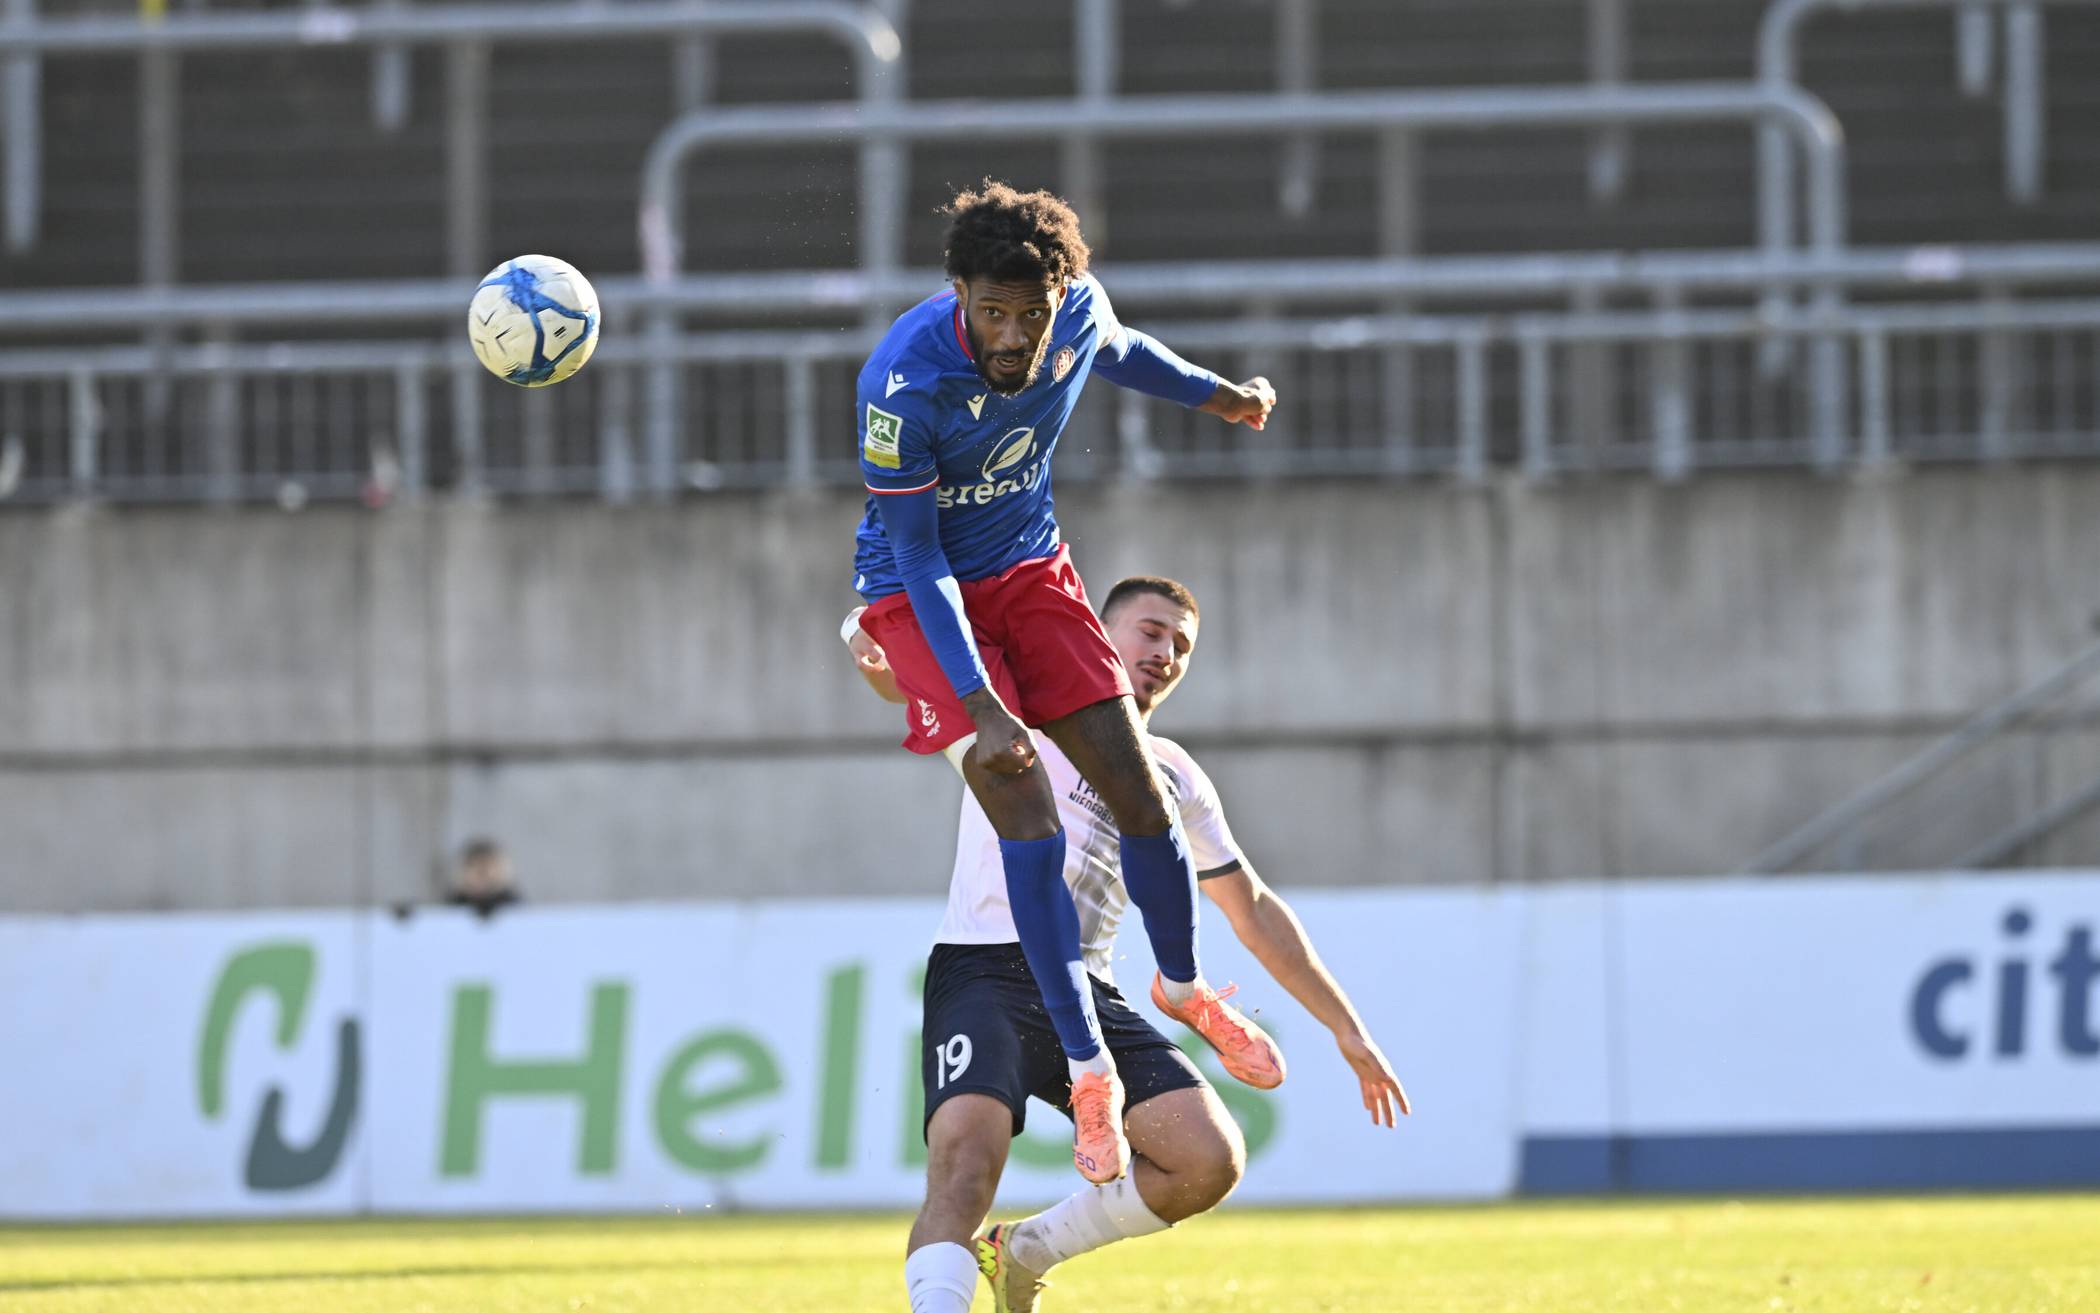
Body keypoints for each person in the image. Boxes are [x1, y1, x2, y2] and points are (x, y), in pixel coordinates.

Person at [852, 180, 1280, 1186]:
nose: (1012, 337)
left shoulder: (1076, 310)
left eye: (1029, 316)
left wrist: (1217, 392)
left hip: (1032, 568)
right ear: (958, 292)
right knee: (1027, 811)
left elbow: (1121, 351)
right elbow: (918, 555)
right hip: (924, 594)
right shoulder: (899, 384)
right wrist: (985, 704)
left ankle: (1181, 986)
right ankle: (1090, 1071)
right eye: (991, 314)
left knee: (1140, 792)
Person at [846, 576, 1411, 1313]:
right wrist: (865, 635)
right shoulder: (1021, 711)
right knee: (962, 1170)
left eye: (1182, 645)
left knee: (1207, 1159)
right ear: (1096, 630)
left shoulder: (1173, 771)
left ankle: (1023, 1250)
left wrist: (1345, 1026)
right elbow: (901, 682)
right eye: (1151, 631)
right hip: (986, 967)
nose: (1166, 653)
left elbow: (1252, 906)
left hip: (1091, 991)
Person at [444, 837, 521, 918]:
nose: (482, 875)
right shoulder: (453, 906)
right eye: (475, 867)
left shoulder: (514, 905)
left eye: (488, 867)